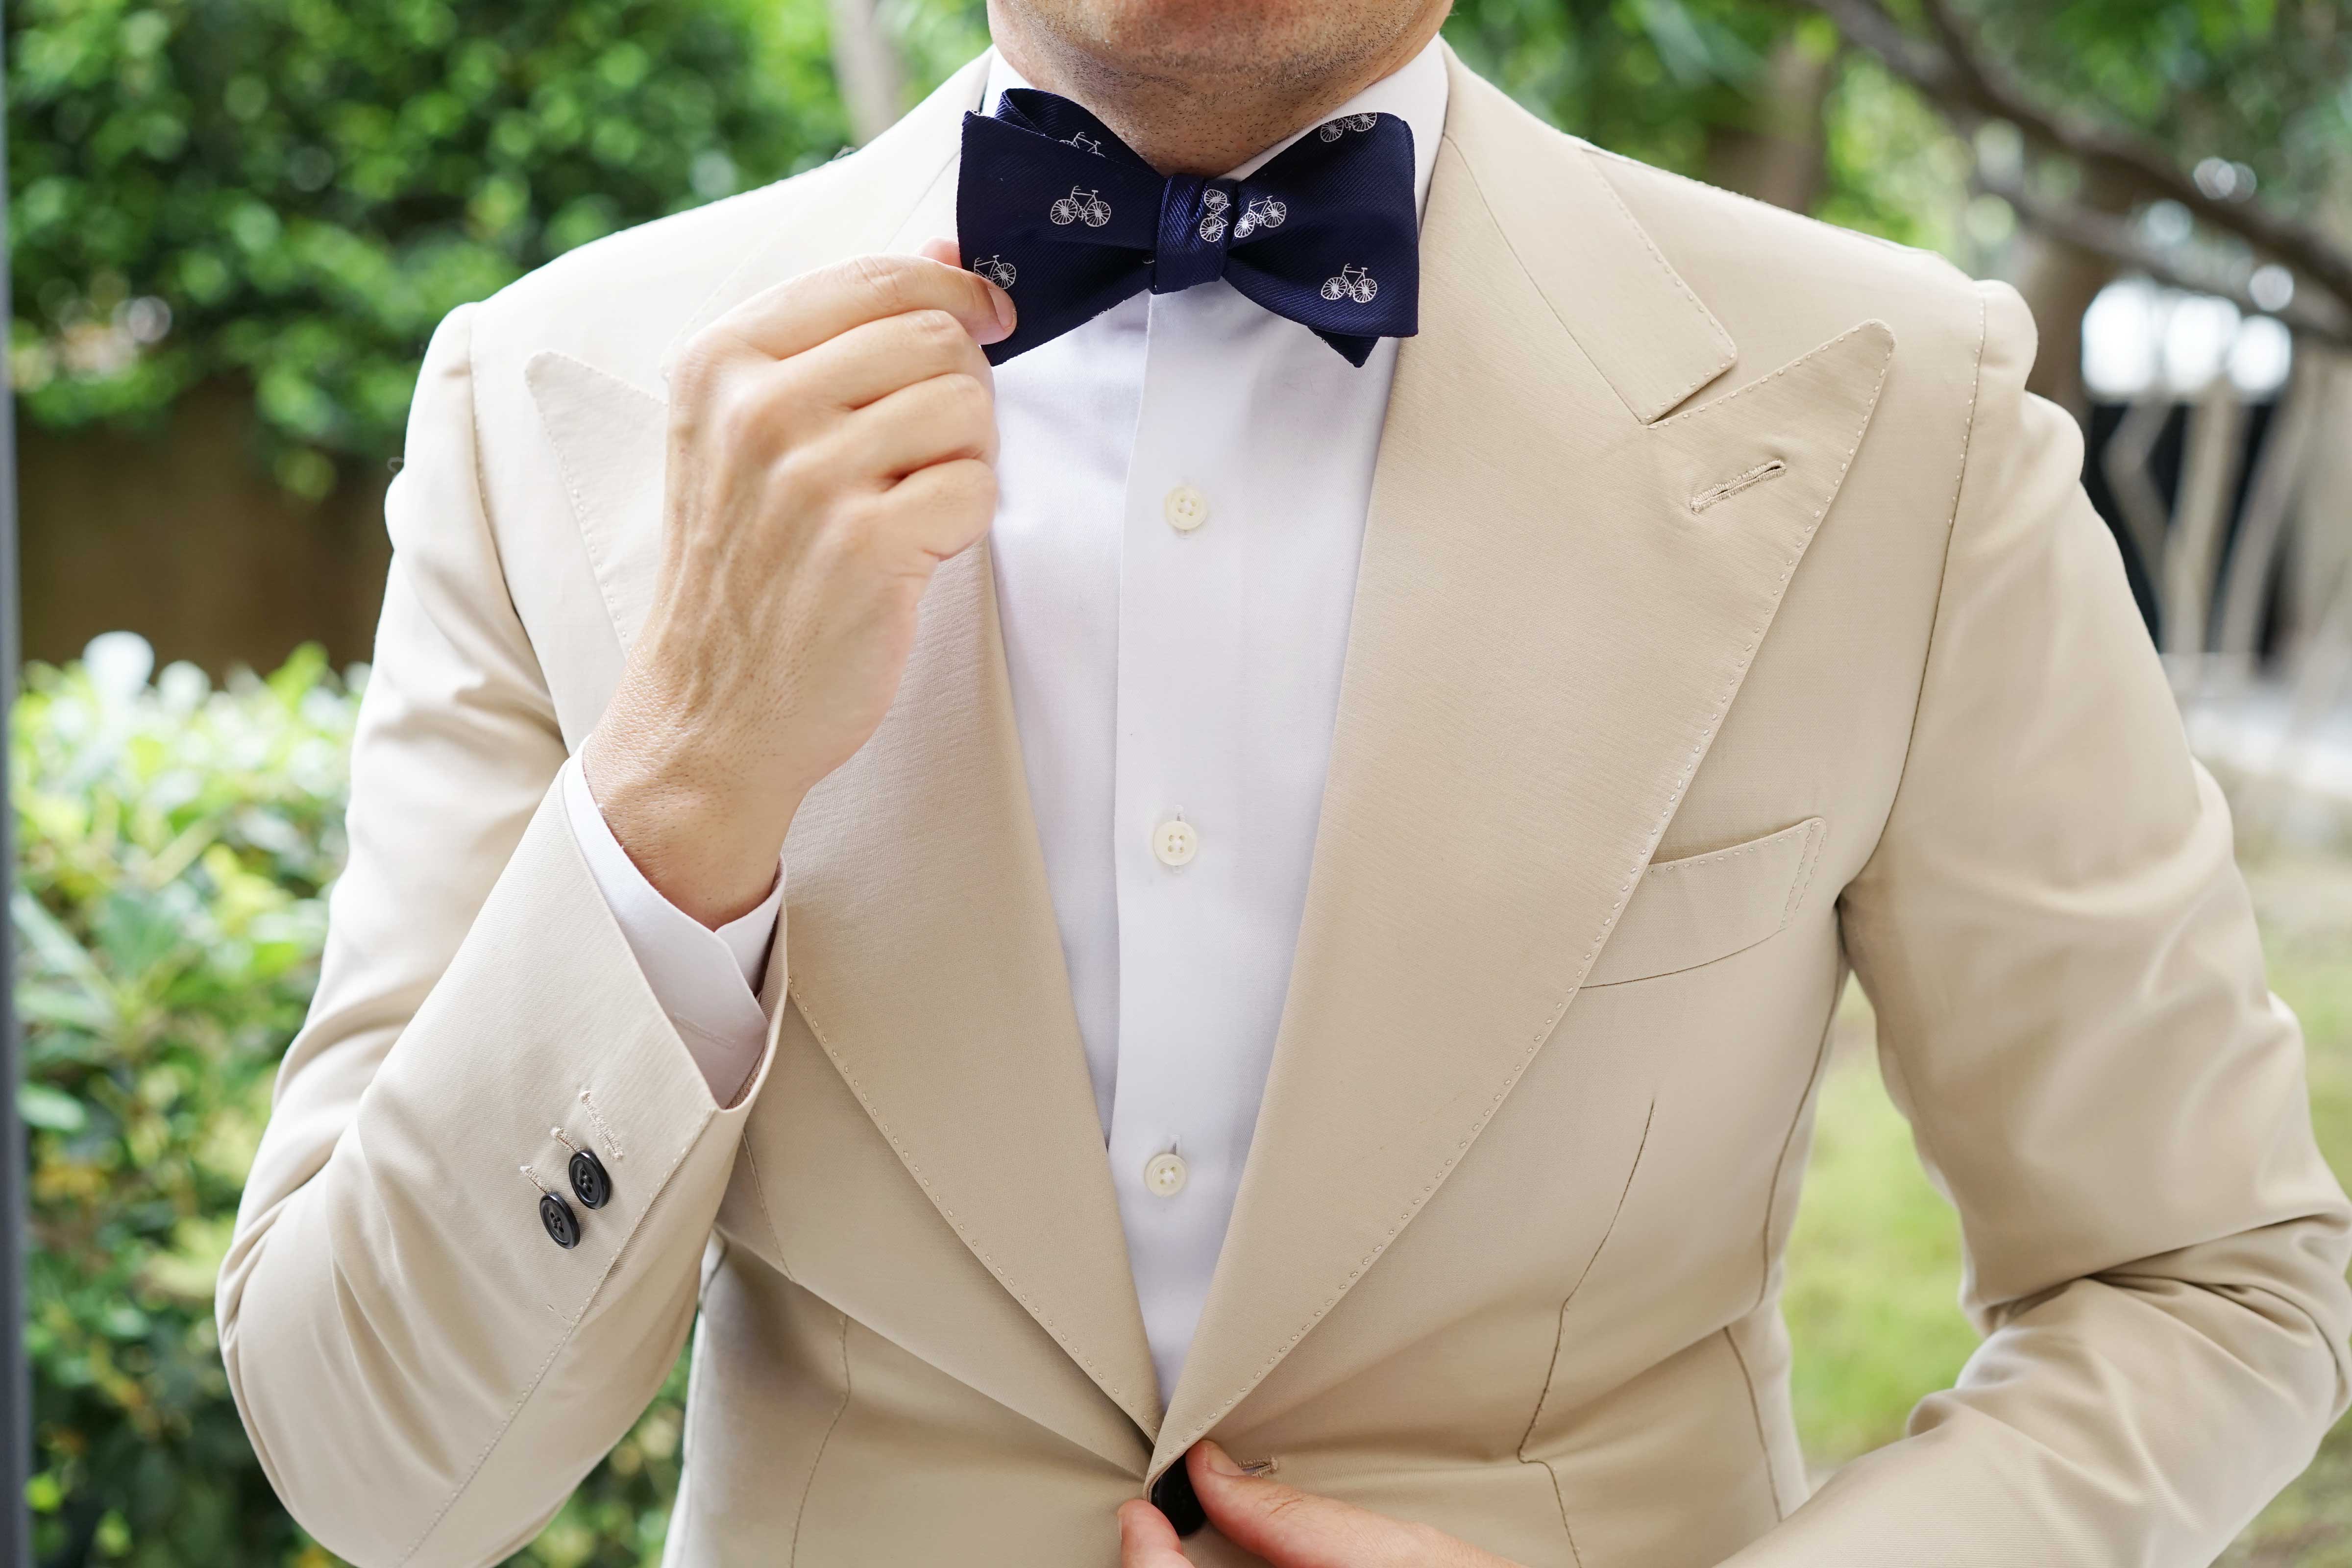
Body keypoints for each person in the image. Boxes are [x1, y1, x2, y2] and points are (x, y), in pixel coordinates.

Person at [215, 0, 2352, 1563]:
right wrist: (684, 778)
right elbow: (376, 1461)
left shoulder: (1905, 408)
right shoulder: (552, 400)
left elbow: (2210, 1277)